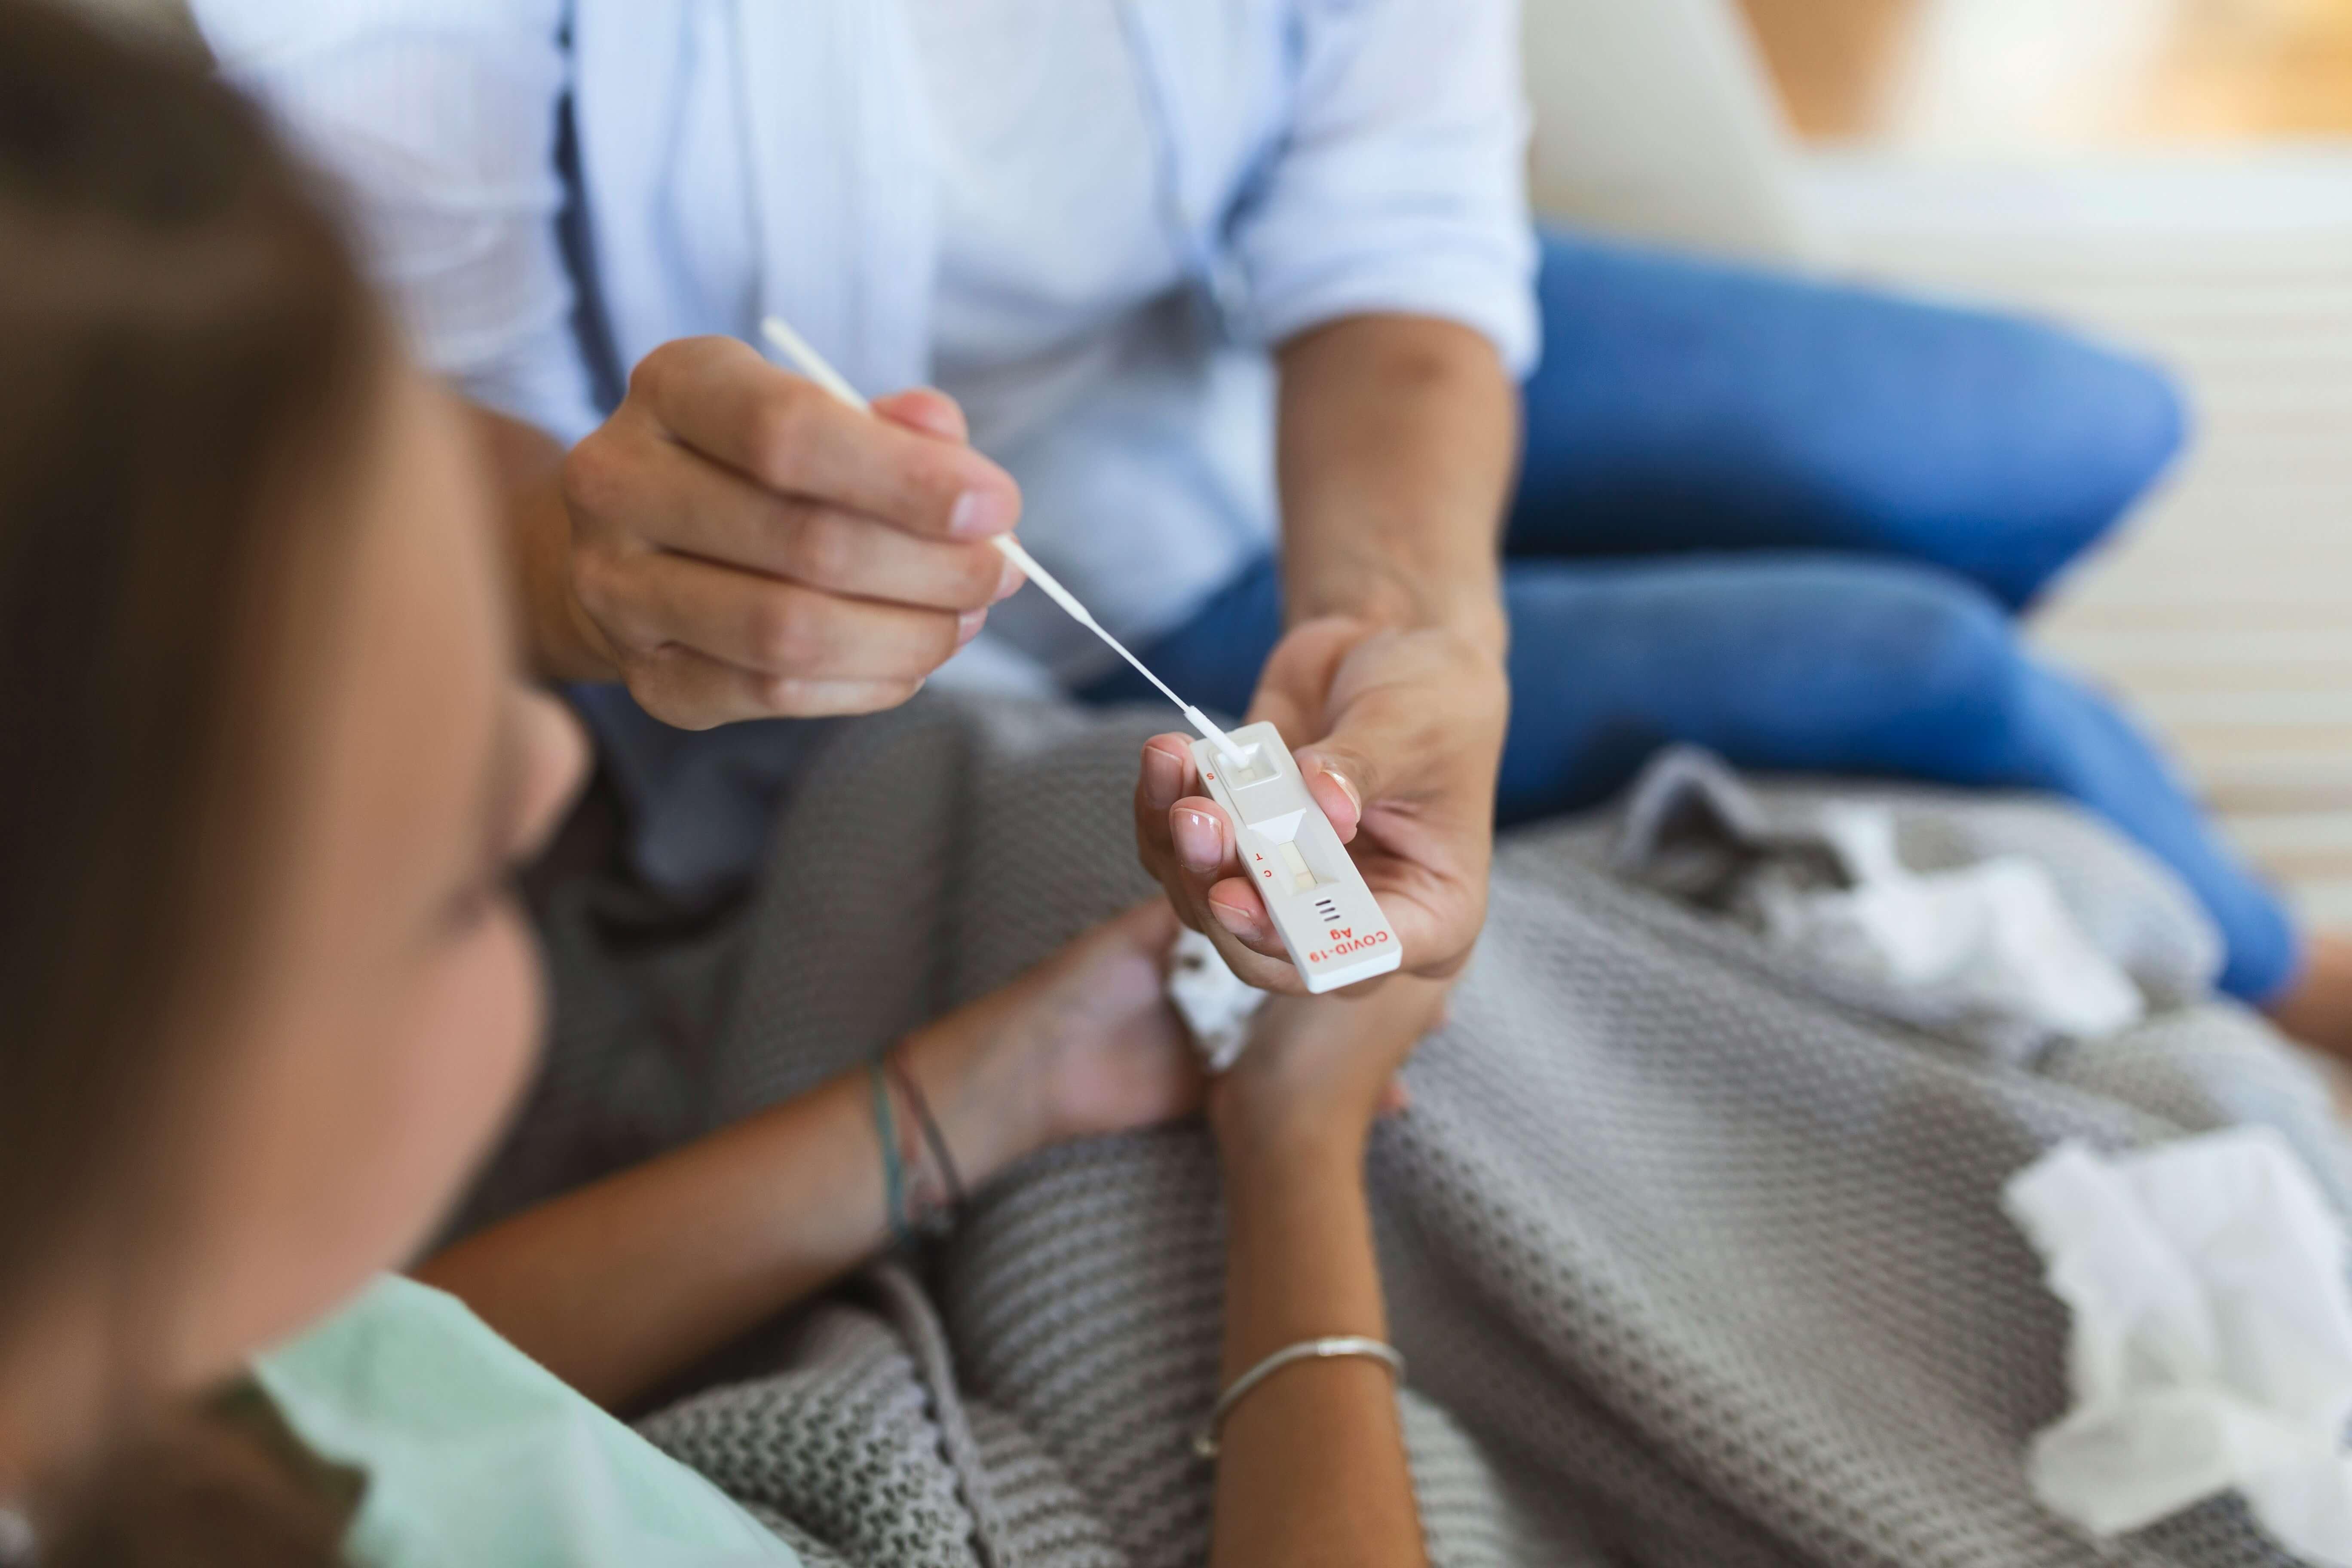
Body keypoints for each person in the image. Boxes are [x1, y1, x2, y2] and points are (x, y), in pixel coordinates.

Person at [0, 9, 1438, 1564]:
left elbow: (369, 1372)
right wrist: (1299, 1167)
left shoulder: (107, 1384)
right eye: (451, 898)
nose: (556, 763)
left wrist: (980, 1096)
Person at [187, 3, 2350, 1034]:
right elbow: (388, 426)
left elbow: (1398, 237)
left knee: (2086, 428)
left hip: (1244, 346)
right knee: (1927, 667)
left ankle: (1629, 620)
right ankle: (2286, 967)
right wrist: (597, 551)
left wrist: (1424, 617)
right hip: (949, 586)